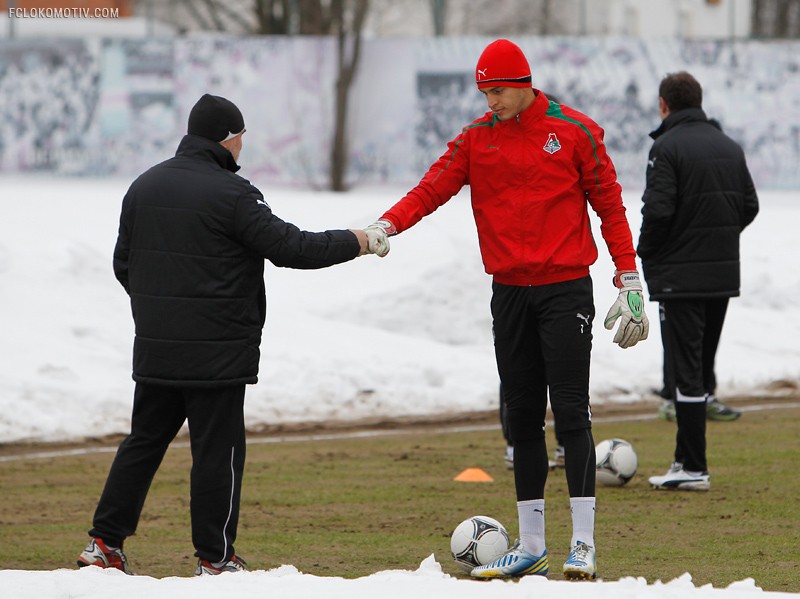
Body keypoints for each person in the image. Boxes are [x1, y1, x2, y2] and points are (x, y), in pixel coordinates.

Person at [366, 39, 648, 580]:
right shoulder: (476, 139)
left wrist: (628, 275)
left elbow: (610, 204)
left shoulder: (574, 130)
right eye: (484, 92)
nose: (490, 100)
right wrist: (387, 224)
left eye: (498, 91)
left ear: (523, 84)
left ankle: (583, 544)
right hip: (509, 292)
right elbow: (430, 190)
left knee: (570, 413)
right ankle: (533, 543)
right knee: (521, 417)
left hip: (566, 289)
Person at [76, 94, 389, 576]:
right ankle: (216, 558)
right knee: (217, 453)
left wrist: (161, 311)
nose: (243, 146)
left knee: (142, 443)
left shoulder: (143, 185)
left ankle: (104, 544)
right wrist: (360, 240)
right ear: (227, 138)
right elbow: (294, 248)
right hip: (217, 352)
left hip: (158, 347)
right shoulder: (234, 195)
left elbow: (125, 264)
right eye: (241, 136)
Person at [639, 72, 758, 491]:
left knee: (685, 374)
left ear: (663, 105)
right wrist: (716, 240)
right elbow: (749, 205)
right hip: (720, 275)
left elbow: (658, 212)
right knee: (700, 368)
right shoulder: (729, 146)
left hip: (679, 278)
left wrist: (646, 253)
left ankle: (692, 467)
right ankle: (683, 461)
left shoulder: (665, 147)